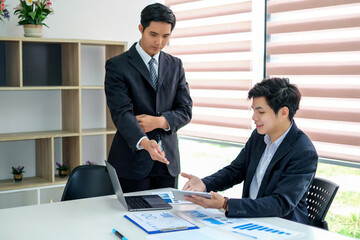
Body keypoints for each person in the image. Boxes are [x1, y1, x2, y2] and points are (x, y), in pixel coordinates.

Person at [181, 77, 318, 224]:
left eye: (261, 112)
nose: (254, 117)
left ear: (284, 112)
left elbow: (281, 204)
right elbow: (235, 170)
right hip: (251, 219)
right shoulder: (259, 136)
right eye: (254, 111)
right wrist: (204, 184)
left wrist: (226, 205)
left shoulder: (303, 152)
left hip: (283, 226)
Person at [105, 3, 192, 193]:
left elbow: (185, 110)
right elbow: (121, 113)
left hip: (167, 164)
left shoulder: (175, 65)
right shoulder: (117, 66)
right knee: (128, 220)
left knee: (167, 220)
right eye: (153, 34)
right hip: (132, 162)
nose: (159, 42)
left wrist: (160, 121)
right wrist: (144, 143)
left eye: (165, 36)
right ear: (141, 29)